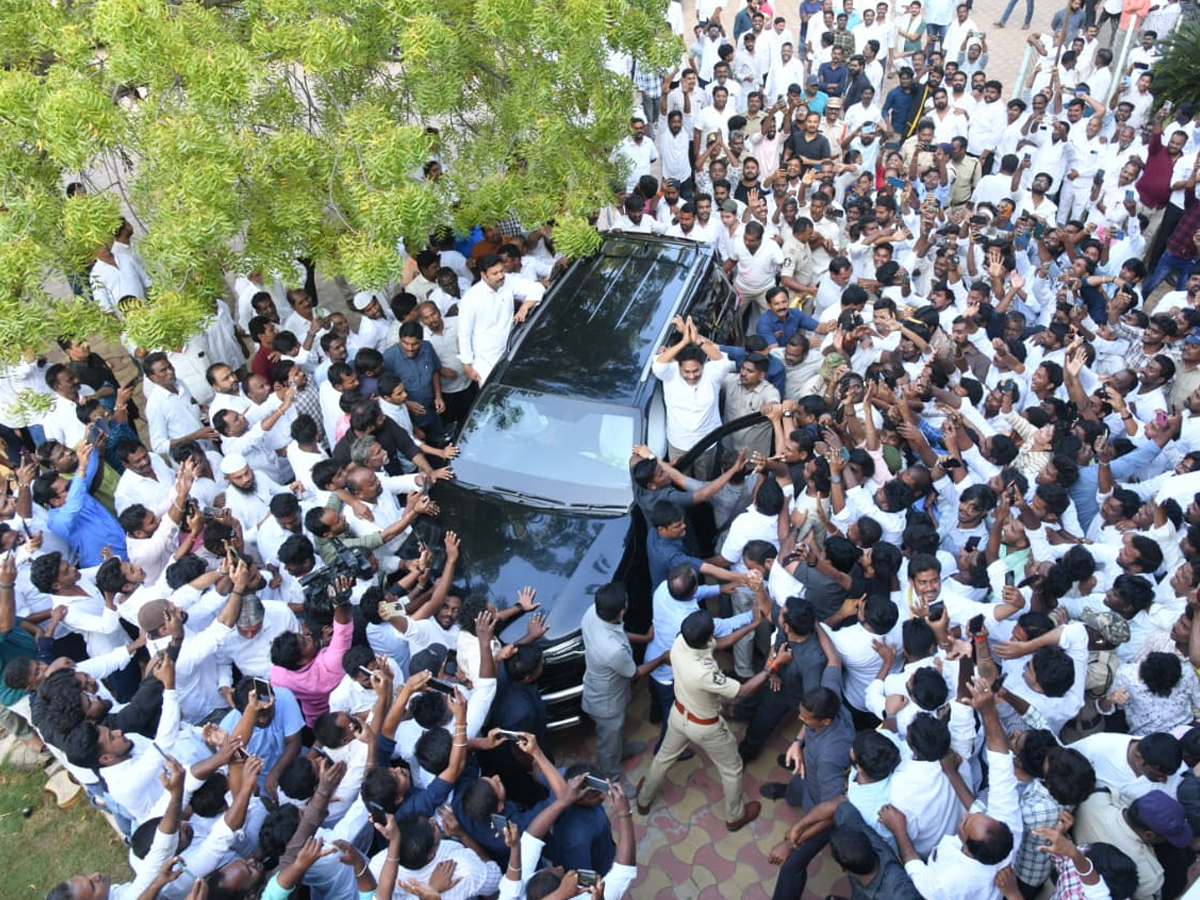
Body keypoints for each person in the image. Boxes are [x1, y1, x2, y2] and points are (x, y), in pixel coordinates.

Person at [636, 610, 782, 832]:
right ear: (706, 638)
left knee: (663, 757)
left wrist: (753, 625)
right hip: (705, 726)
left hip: (678, 714)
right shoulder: (704, 673)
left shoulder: (681, 642)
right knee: (732, 768)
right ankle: (735, 816)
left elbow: (721, 643)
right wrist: (771, 667)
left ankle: (644, 800)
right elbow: (743, 691)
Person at [580, 583, 661, 784]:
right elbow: (635, 673)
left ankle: (622, 750)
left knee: (615, 733)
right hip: (606, 703)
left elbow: (619, 634)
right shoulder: (612, 650)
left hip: (607, 690)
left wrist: (644, 638)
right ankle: (612, 781)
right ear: (622, 611)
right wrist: (662, 658)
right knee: (608, 745)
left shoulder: (594, 612)